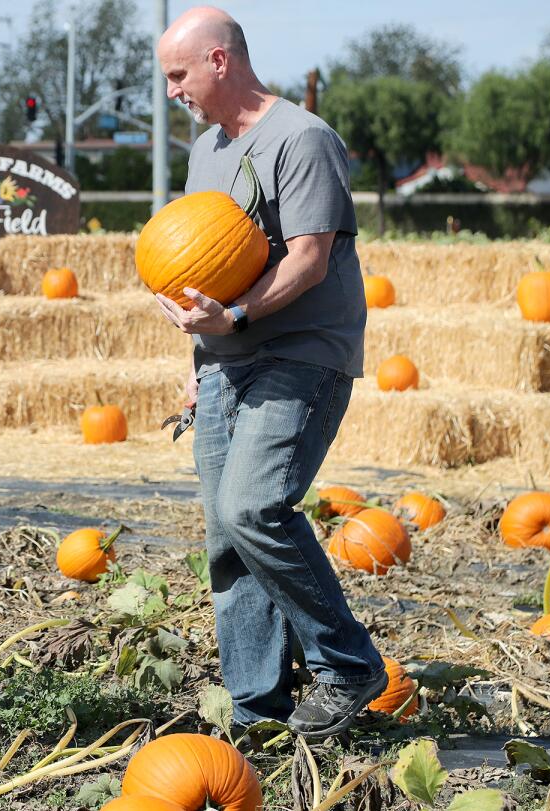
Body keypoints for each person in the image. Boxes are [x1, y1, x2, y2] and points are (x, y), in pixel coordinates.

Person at [154, 7, 386, 739]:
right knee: (228, 534)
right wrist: (201, 356)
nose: (172, 92)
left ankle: (348, 665)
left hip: (302, 352)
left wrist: (238, 320)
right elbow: (206, 266)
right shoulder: (205, 154)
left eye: (178, 74)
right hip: (226, 360)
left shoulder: (303, 138)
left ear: (219, 60)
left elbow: (310, 259)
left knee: (256, 507)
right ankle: (258, 712)